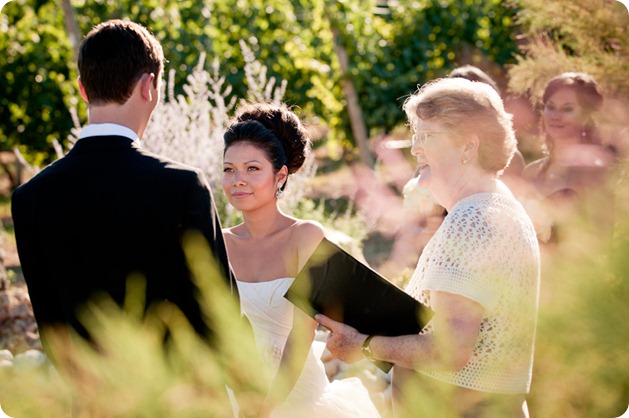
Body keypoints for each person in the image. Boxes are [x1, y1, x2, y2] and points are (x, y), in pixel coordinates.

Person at [11, 19, 242, 366]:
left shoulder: (29, 198)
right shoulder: (183, 186)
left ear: (83, 90)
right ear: (149, 86)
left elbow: (51, 326)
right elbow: (220, 314)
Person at [317, 78, 541, 417]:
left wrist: (363, 345)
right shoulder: (495, 206)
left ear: (468, 146)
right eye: (415, 136)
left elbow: (451, 350)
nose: (415, 149)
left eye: (427, 136)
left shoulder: (472, 221)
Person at [221, 102, 381, 418]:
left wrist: (266, 406)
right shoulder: (220, 241)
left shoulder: (305, 236)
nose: (238, 180)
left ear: (280, 176)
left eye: (252, 168)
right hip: (234, 393)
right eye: (229, 169)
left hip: (296, 396)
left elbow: (302, 333)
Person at [521, 72, 616, 241]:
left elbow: (602, 235)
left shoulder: (596, 171)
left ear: (586, 115)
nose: (555, 115)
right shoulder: (531, 171)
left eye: (567, 109)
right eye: (550, 107)